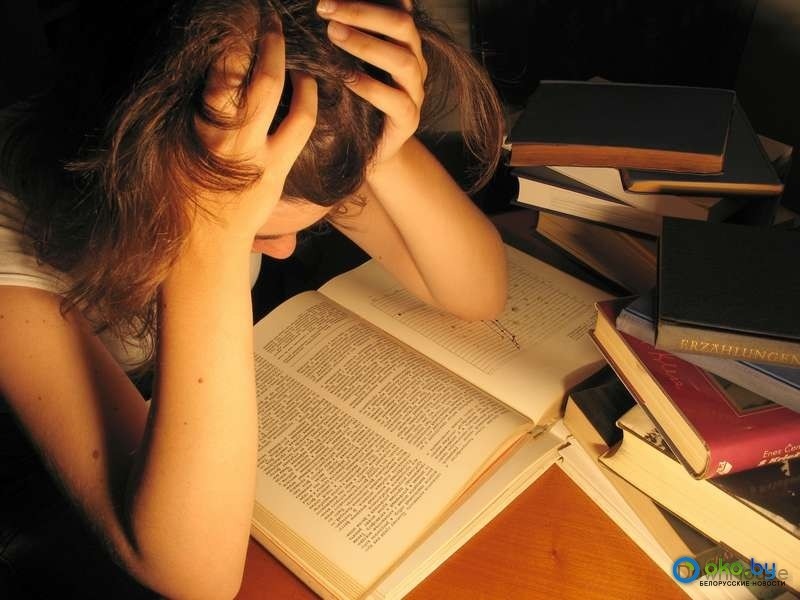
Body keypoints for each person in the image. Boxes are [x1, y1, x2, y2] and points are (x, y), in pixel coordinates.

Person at [0, 0, 506, 597]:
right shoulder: (14, 221)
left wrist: (375, 140)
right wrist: (208, 244)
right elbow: (193, 576)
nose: (284, 251)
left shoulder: (266, 127)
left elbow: (477, 292)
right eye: (253, 231)